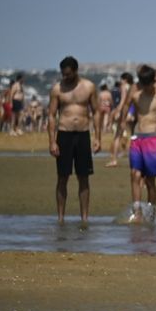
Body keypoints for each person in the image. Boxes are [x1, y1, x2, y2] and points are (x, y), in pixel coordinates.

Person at [46, 56, 97, 226]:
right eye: (63, 74)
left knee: (84, 177)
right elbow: (52, 115)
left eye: (68, 74)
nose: (65, 77)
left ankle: (84, 217)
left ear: (75, 71)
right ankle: (60, 218)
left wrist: (97, 137)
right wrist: (52, 141)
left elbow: (96, 112)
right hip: (64, 134)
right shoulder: (57, 89)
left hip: (83, 134)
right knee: (63, 177)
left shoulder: (89, 87)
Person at [125, 64, 156, 220]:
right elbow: (128, 118)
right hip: (137, 138)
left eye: (148, 84)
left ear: (154, 81)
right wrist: (127, 134)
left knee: (150, 180)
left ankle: (150, 215)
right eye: (143, 84)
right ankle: (137, 212)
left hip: (153, 138)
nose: (145, 88)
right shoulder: (136, 96)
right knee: (135, 175)